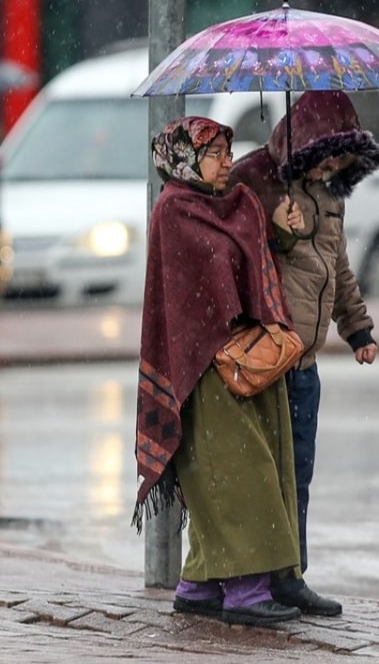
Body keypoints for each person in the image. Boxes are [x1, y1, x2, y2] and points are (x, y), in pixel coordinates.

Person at [133, 116, 308, 627]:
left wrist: (277, 231)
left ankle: (199, 583)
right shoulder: (174, 211)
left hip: (249, 360)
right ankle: (246, 592)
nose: (227, 161)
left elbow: (250, 265)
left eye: (228, 151)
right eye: (214, 153)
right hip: (206, 369)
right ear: (185, 160)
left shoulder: (237, 205)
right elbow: (191, 300)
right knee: (234, 478)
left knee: (249, 470)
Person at [228, 91, 379, 617]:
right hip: (270, 356)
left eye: (343, 158)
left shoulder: (332, 198)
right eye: (325, 154)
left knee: (299, 475)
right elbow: (247, 265)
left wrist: (358, 329)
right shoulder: (263, 188)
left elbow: (337, 271)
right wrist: (281, 235)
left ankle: (291, 575)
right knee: (265, 477)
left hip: (307, 365)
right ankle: (257, 580)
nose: (333, 166)